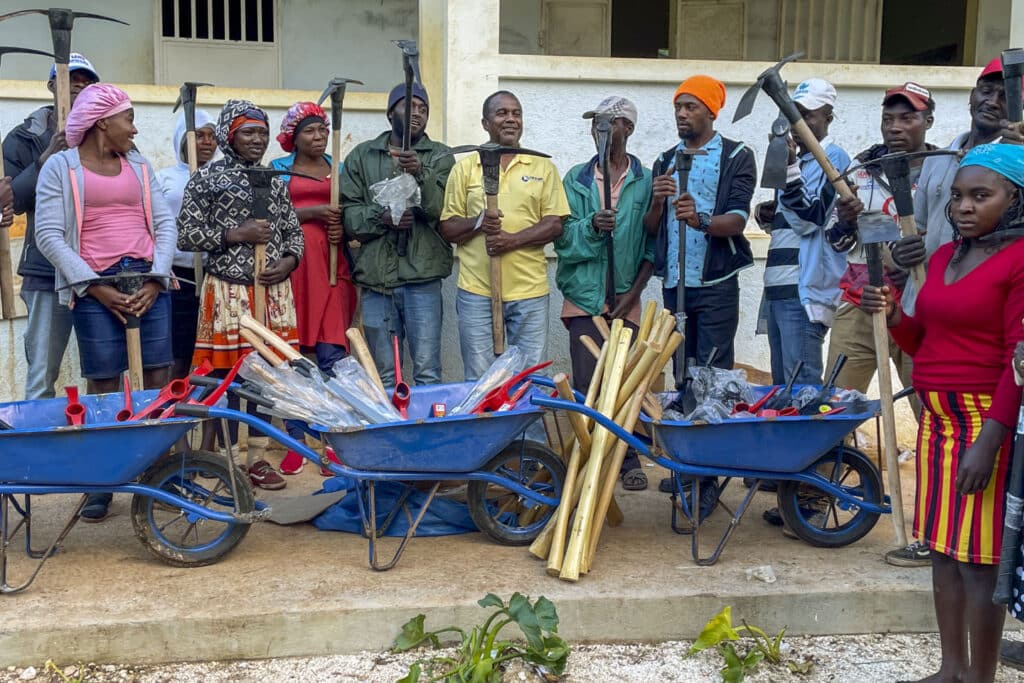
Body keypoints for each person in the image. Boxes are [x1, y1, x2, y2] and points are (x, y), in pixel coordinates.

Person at [860, 144, 1024, 683]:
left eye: (982, 195)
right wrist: (892, 315)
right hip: (935, 423)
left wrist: (990, 441)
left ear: (1015, 199)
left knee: (980, 560)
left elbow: (1019, 362)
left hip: (984, 423)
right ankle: (950, 668)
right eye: (957, 196)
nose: (964, 206)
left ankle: (981, 676)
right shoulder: (942, 258)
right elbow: (923, 339)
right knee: (944, 552)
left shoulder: (1020, 261)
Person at [34, 84, 177, 522]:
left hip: (147, 277)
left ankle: (162, 474)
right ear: (102, 123)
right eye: (128, 119)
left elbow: (164, 222)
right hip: (95, 283)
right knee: (102, 384)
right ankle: (103, 481)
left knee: (158, 376)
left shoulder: (138, 164)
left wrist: (157, 277)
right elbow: (48, 235)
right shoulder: (61, 167)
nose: (134, 130)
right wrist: (93, 286)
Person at [825, 82, 936, 567]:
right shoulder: (858, 172)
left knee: (933, 411)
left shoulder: (947, 170)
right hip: (860, 300)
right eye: (889, 118)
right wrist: (848, 219)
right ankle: (821, 497)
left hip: (920, 303)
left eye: (907, 118)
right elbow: (834, 238)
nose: (895, 126)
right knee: (835, 405)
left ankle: (935, 524)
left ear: (927, 121)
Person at [177, 100, 304, 491]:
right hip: (228, 294)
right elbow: (186, 235)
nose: (257, 140)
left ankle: (259, 458)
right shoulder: (206, 179)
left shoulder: (274, 180)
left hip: (272, 294)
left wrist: (288, 261)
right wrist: (235, 235)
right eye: (248, 132)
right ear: (230, 135)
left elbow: (294, 234)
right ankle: (229, 460)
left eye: (263, 132)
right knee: (226, 376)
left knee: (267, 379)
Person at [556, 95, 653, 490]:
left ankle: (627, 459)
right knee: (586, 386)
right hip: (584, 298)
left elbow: (651, 245)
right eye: (594, 124)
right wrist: (592, 227)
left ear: (626, 129)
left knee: (624, 384)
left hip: (625, 299)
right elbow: (564, 241)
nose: (597, 131)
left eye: (606, 124)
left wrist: (633, 294)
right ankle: (590, 460)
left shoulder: (644, 182)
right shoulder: (576, 180)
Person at [440, 90, 570, 378]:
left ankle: (527, 426)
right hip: (476, 291)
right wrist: (478, 222)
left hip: (530, 292)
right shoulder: (464, 169)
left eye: (516, 113)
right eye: (502, 113)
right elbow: (447, 227)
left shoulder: (543, 168)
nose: (511, 119)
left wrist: (511, 240)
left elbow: (554, 224)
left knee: (530, 380)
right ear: (485, 123)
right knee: (480, 379)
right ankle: (486, 425)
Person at [340, 83, 453, 387]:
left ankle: (426, 434)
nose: (417, 112)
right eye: (409, 105)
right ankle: (392, 432)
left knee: (427, 372)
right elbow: (349, 216)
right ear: (391, 112)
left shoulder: (440, 156)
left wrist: (420, 173)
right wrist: (383, 217)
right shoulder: (362, 156)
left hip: (423, 279)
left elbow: (442, 210)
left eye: (423, 108)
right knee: (385, 376)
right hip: (378, 282)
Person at [894, 57, 1024, 317]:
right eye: (986, 91)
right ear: (972, 96)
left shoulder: (1016, 166)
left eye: (1004, 96)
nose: (992, 101)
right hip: (918, 304)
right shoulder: (938, 158)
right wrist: (901, 252)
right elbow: (917, 228)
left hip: (973, 311)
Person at [2, 53, 99, 400]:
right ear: (51, 86)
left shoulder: (105, 133)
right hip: (46, 269)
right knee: (42, 373)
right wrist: (47, 157)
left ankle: (96, 442)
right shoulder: (25, 137)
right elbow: (16, 200)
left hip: (102, 269)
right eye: (71, 79)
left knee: (103, 369)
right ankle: (36, 446)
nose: (79, 87)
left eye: (87, 81)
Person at [644, 75, 756, 372]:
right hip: (675, 281)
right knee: (679, 368)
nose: (681, 113)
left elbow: (737, 220)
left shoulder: (736, 155)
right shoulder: (665, 159)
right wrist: (657, 201)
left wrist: (698, 220)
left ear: (710, 111)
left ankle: (709, 418)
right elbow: (652, 228)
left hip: (715, 282)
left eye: (690, 106)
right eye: (678, 107)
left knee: (712, 370)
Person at [271, 101, 356, 475]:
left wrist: (343, 227)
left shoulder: (338, 171)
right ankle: (296, 439)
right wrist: (312, 214)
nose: (319, 136)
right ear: (293, 137)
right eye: (310, 130)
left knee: (331, 355)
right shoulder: (277, 171)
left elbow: (354, 212)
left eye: (323, 129)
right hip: (292, 270)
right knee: (292, 356)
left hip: (332, 269)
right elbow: (269, 217)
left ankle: (331, 439)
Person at [758, 79, 849, 386]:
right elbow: (789, 220)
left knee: (802, 390)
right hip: (778, 286)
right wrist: (766, 215)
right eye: (793, 113)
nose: (798, 122)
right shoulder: (793, 158)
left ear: (828, 118)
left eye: (808, 114)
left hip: (804, 292)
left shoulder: (833, 159)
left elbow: (811, 220)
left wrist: (792, 165)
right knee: (783, 390)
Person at [156, 108, 218, 380]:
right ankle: (175, 413)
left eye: (212, 136)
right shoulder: (163, 179)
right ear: (182, 139)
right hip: (177, 278)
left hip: (215, 276)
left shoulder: (222, 178)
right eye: (199, 136)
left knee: (212, 357)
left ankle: (210, 419)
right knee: (178, 355)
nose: (207, 142)